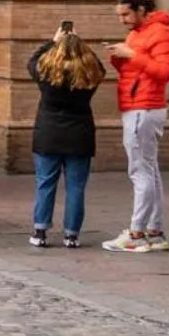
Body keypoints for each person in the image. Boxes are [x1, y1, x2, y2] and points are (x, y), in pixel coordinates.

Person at [103, 0, 169, 253]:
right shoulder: (137, 33)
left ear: (141, 10)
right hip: (139, 106)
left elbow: (166, 71)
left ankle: (136, 233)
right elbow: (136, 71)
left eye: (126, 14)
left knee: (140, 171)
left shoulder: (160, 33)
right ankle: (154, 232)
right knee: (150, 170)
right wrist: (119, 57)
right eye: (119, 15)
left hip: (143, 108)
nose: (122, 19)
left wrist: (131, 55)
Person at [27, 26, 104, 248]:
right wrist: (81, 44)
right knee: (76, 187)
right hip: (79, 135)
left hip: (48, 134)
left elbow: (32, 62)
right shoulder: (89, 75)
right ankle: (71, 235)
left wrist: (52, 42)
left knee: (45, 183)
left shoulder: (45, 72)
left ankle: (40, 231)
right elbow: (100, 68)